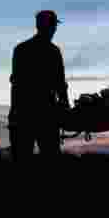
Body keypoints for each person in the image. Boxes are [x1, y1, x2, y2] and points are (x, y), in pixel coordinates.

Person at [8, 10, 70, 164]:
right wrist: (65, 108)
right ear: (49, 27)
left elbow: (16, 85)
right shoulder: (53, 52)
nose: (54, 29)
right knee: (50, 160)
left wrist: (15, 115)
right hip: (45, 116)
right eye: (53, 26)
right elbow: (60, 85)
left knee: (22, 160)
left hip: (21, 115)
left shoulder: (20, 50)